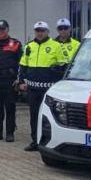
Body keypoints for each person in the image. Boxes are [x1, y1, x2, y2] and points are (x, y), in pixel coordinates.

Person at [18, 21, 66, 152]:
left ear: (47, 32)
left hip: (48, 89)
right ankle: (35, 141)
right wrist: (21, 81)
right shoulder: (29, 46)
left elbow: (63, 66)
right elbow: (23, 65)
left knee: (49, 117)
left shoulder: (56, 45)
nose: (40, 33)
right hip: (32, 88)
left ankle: (48, 141)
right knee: (34, 116)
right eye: (37, 30)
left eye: (42, 30)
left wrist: (55, 74)